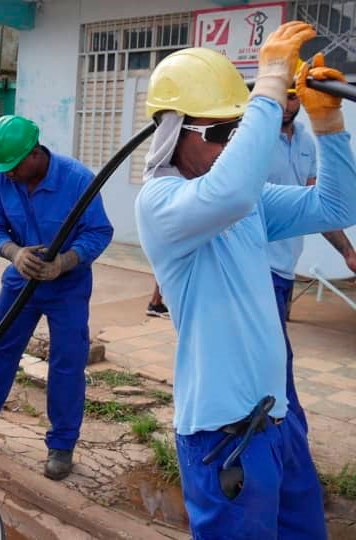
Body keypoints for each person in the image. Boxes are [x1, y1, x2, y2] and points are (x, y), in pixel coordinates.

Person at [135, 21, 356, 538]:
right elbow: (230, 192)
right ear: (173, 132)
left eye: (236, 132)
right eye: (218, 133)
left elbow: (336, 205)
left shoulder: (248, 203)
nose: (231, 145)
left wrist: (329, 127)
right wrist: (269, 86)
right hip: (223, 436)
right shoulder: (162, 204)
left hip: (275, 423)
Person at [0, 115, 114, 481]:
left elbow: (99, 232)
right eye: (2, 169)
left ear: (34, 154)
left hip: (67, 286)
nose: (8, 175)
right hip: (20, 282)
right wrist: (13, 252)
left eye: (13, 167)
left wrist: (65, 261)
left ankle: (62, 445)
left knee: (66, 363)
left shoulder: (77, 180)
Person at [267, 74, 356, 434]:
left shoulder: (305, 140)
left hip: (284, 267)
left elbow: (323, 206)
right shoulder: (249, 140)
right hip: (255, 266)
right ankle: (286, 441)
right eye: (282, 95)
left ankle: (282, 440)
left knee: (274, 357)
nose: (289, 104)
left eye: (294, 96)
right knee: (274, 361)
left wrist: (348, 252)